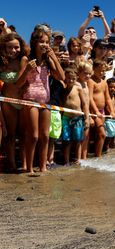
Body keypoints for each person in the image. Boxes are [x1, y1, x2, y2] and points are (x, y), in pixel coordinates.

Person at [23, 26, 64, 174]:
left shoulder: (48, 61)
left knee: (45, 135)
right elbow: (19, 82)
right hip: (30, 100)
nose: (45, 44)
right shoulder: (27, 59)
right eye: (41, 41)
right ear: (34, 42)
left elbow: (61, 77)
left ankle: (43, 167)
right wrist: (27, 69)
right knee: (33, 135)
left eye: (47, 41)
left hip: (45, 101)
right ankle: (29, 168)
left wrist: (54, 58)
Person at [0, 32, 29, 172]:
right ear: (4, 48)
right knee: (10, 135)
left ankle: (23, 164)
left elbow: (20, 82)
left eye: (16, 47)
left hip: (23, 101)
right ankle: (11, 164)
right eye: (10, 48)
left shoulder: (23, 59)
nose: (13, 51)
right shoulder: (1, 61)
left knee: (23, 134)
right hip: (7, 100)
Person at [61, 68, 90, 166]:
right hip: (66, 117)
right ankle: (66, 161)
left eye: (73, 78)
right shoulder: (63, 89)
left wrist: (86, 118)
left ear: (76, 78)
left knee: (78, 139)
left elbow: (84, 104)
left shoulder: (78, 88)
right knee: (66, 140)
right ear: (65, 78)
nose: (71, 80)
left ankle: (78, 159)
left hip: (77, 117)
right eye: (68, 78)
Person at [88, 59, 115, 157]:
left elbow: (108, 98)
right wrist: (95, 111)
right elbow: (90, 98)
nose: (101, 72)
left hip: (102, 111)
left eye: (103, 71)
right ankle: (98, 156)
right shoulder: (90, 81)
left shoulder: (104, 82)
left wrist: (112, 111)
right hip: (93, 112)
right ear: (93, 69)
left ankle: (95, 155)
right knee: (102, 134)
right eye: (99, 70)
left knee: (96, 135)